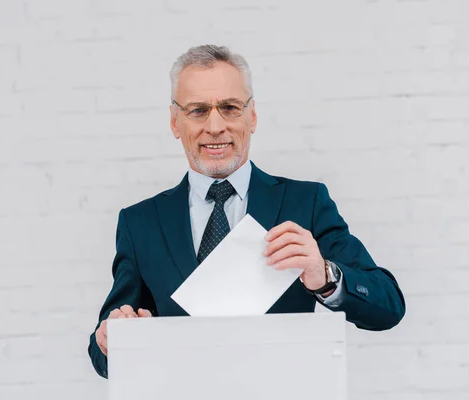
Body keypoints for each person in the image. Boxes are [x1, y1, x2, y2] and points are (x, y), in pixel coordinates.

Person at [88, 45, 406, 379]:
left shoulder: (305, 202)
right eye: (197, 110)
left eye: (230, 107)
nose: (215, 126)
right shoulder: (140, 224)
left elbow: (388, 306)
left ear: (252, 116)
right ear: (174, 122)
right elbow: (102, 354)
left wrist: (324, 275)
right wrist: (112, 339)